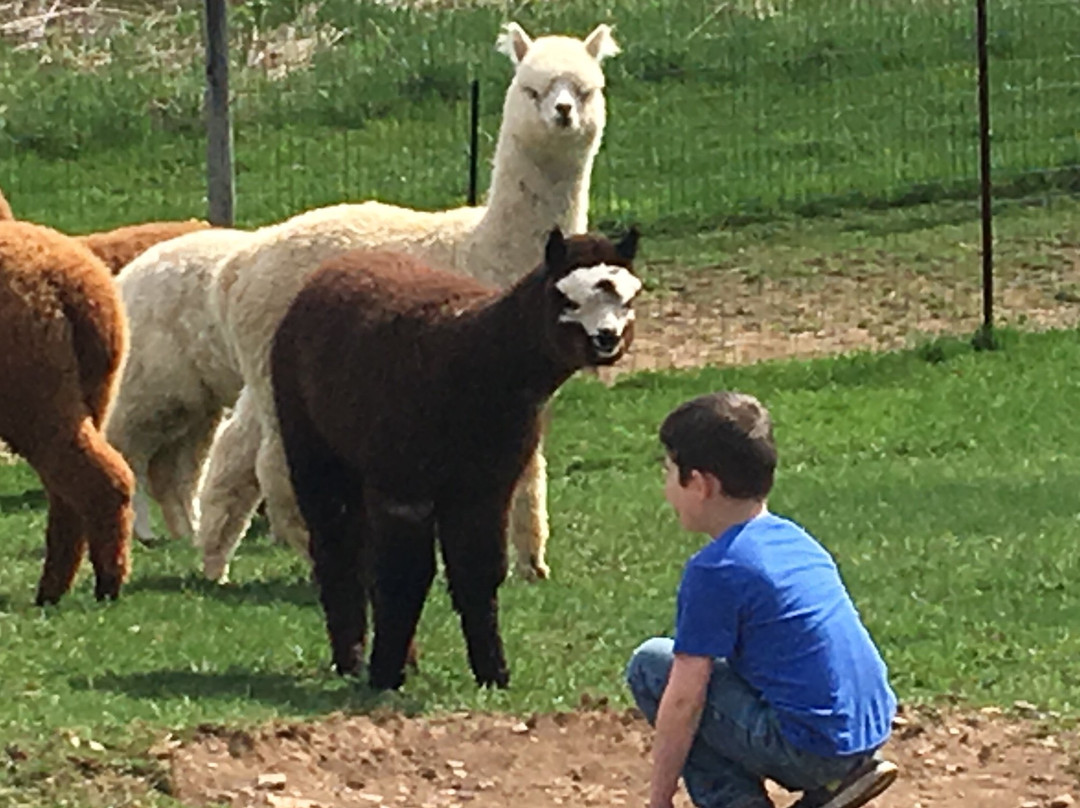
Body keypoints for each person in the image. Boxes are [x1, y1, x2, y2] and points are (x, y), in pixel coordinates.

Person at [626, 391, 898, 808]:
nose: (666, 489)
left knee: (652, 666)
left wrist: (658, 801)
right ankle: (838, 783)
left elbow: (684, 700)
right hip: (865, 731)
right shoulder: (794, 538)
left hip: (814, 749)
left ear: (700, 484)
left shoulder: (716, 569)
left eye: (669, 472)